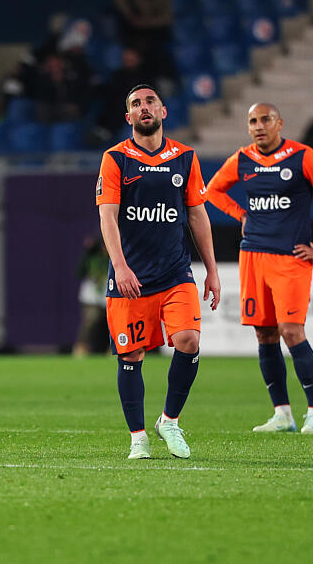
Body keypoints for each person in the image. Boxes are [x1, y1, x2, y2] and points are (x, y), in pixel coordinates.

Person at [206, 102, 313, 434]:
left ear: (280, 123)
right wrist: (240, 214)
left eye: (265, 119)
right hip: (253, 255)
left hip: (290, 259)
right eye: (252, 121)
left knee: (291, 331)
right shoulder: (242, 160)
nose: (258, 126)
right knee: (264, 333)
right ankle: (282, 414)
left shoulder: (303, 157)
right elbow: (211, 191)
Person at [96, 84, 221, 459]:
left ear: (163, 111)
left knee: (189, 340)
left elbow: (197, 214)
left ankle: (169, 420)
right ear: (128, 117)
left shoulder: (185, 157)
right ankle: (138, 437)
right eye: (136, 103)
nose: (144, 107)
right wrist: (120, 267)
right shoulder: (115, 158)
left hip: (174, 273)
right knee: (131, 356)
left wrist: (211, 270)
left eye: (150, 101)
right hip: (131, 278)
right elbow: (108, 215)